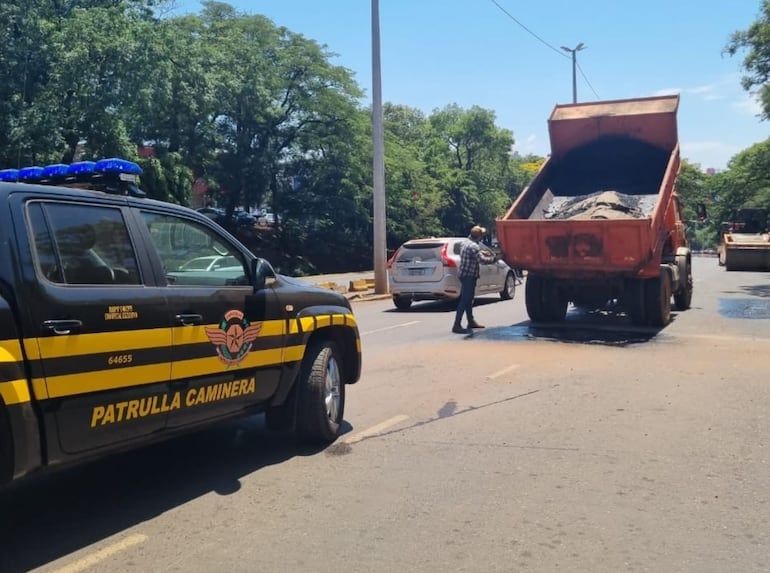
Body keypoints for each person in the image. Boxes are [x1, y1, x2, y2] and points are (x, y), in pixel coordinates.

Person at [452, 225, 496, 334]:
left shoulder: (466, 243)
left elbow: (474, 254)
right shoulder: (473, 247)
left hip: (464, 274)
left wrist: (482, 252)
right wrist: (495, 259)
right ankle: (456, 325)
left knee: (468, 300)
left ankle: (471, 321)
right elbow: (482, 260)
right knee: (465, 300)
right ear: (479, 236)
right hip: (469, 276)